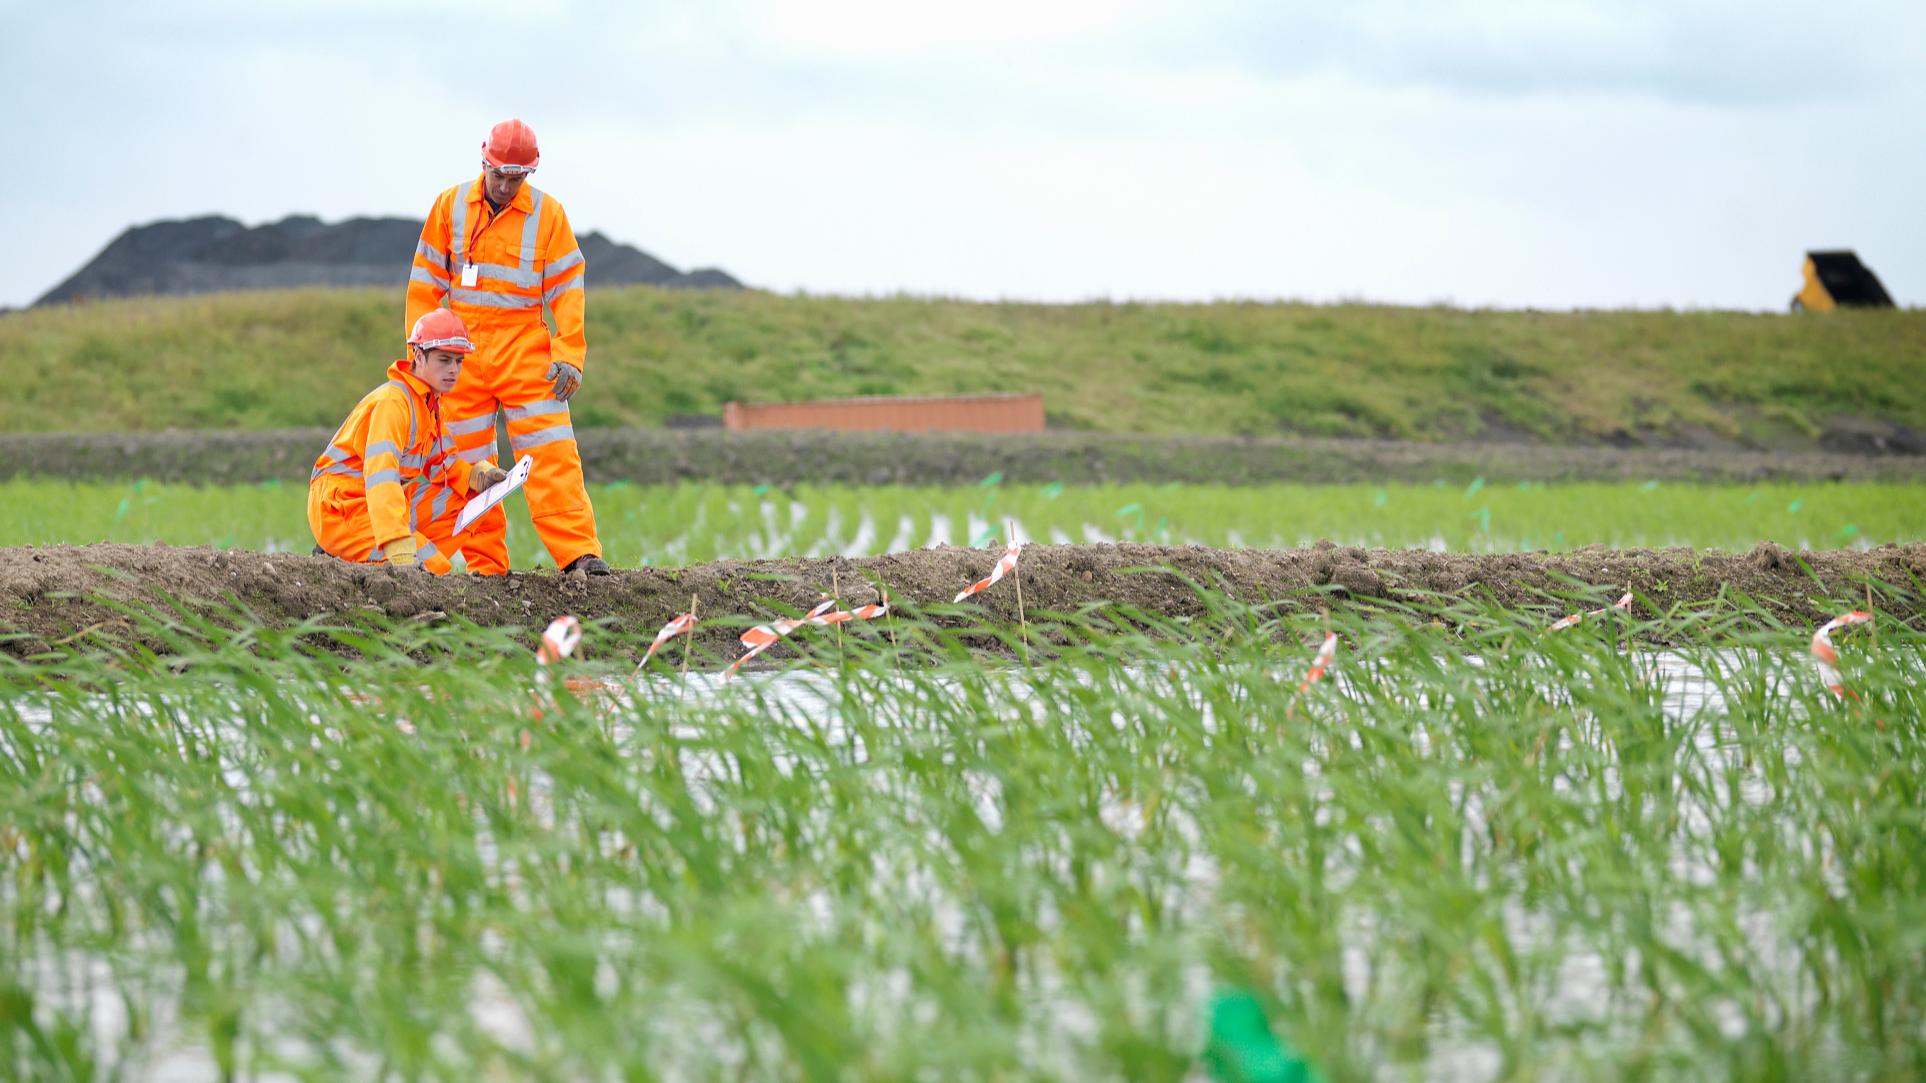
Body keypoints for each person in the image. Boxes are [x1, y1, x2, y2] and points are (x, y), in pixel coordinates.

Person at [404, 117, 610, 576]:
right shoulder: (450, 207)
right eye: (498, 175)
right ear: (483, 162)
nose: (505, 185)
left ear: (528, 174)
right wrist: (422, 356)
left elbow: (567, 290)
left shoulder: (548, 215)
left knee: (552, 452)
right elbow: (424, 285)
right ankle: (487, 567)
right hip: (461, 355)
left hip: (525, 353)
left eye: (515, 178)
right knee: (464, 464)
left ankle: (578, 555)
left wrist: (569, 356)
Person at [309, 310, 508, 573]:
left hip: (368, 504)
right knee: (434, 568)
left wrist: (478, 477)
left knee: (469, 497)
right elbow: (382, 477)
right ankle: (346, 550)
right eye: (444, 360)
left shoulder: (427, 404)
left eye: (458, 361)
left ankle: (357, 553)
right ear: (418, 356)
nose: (453, 370)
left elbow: (444, 465)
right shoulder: (394, 403)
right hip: (341, 507)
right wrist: (397, 544)